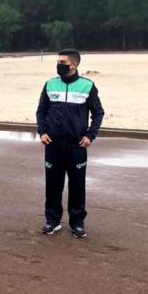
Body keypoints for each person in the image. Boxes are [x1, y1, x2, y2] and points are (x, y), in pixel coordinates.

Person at [36, 49, 104, 238]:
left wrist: (90, 135)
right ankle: (53, 220)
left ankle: (77, 222)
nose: (58, 64)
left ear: (73, 65)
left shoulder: (87, 86)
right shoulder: (50, 84)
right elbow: (41, 111)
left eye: (62, 62)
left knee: (77, 185)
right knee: (53, 185)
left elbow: (98, 113)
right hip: (53, 145)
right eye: (58, 61)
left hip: (77, 147)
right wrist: (41, 132)